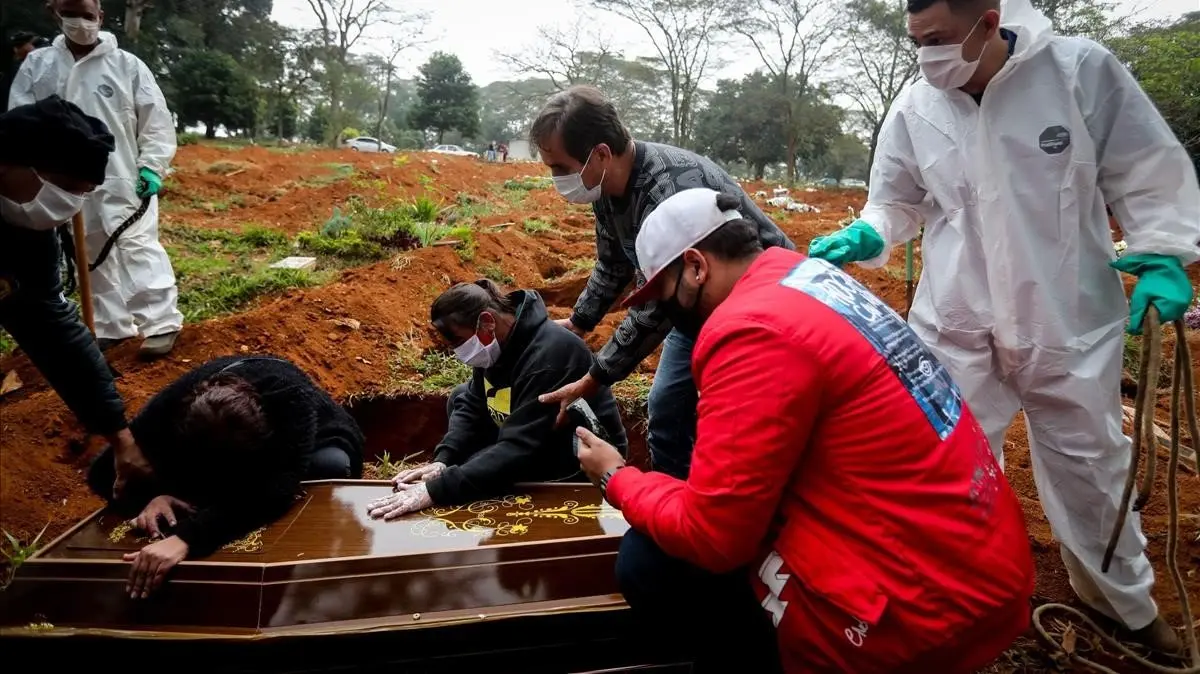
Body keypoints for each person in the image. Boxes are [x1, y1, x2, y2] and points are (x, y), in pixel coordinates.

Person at [805, 0, 1197, 651]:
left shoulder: (1078, 73)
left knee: (1092, 468)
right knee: (939, 462)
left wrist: (1162, 251)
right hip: (956, 319)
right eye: (917, 41)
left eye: (938, 39)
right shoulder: (917, 105)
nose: (926, 56)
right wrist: (869, 232)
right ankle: (950, 597)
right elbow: (896, 200)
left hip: (1065, 319)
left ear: (989, 21)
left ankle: (1121, 604)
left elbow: (1145, 169)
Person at [574, 188, 1036, 673]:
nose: (665, 312)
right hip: (982, 562)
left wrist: (617, 477)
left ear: (695, 267)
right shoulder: (806, 278)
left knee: (649, 561)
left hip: (925, 612)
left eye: (663, 294)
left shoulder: (750, 329)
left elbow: (712, 536)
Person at [532, 85, 795, 481]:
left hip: (759, 306)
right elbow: (613, 263)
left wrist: (596, 377)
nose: (557, 179)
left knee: (741, 420)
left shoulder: (671, 189)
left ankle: (720, 501)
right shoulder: (604, 187)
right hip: (691, 304)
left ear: (600, 154)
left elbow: (655, 308)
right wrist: (580, 321)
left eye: (560, 168)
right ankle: (676, 499)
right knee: (667, 407)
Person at [88, 355, 365, 598]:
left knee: (330, 465)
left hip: (317, 445)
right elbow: (102, 475)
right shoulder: (169, 409)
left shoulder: (289, 396)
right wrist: (154, 496)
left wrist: (187, 538)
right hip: (213, 458)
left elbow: (276, 490)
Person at [366, 280, 627, 520]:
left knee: (495, 469)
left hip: (574, 463)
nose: (458, 352)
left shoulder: (550, 356)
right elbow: (473, 402)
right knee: (460, 396)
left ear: (487, 322)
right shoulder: (498, 344)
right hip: (531, 439)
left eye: (459, 341)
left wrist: (435, 491)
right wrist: (444, 460)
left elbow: (520, 448)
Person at [9, 0, 183, 358]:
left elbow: (156, 121)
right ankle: (111, 326)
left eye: (88, 16)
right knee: (89, 252)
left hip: (124, 177)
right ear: (56, 13)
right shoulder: (38, 65)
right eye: (72, 14)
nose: (81, 22)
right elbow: (21, 121)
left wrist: (152, 166)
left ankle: (161, 322)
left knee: (137, 245)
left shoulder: (127, 65)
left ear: (100, 17)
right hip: (66, 182)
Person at [0, 95, 153, 499]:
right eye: (64, 189)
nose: (67, 208)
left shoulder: (29, 235)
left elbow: (50, 324)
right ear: (9, 164)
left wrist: (120, 436)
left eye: (82, 196)